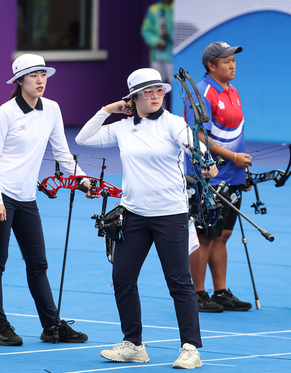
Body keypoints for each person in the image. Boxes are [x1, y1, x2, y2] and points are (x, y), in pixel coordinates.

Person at [76, 68, 218, 369]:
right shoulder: (123, 127)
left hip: (171, 215)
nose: (155, 96)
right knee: (122, 279)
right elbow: (84, 137)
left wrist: (204, 159)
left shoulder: (174, 124)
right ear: (133, 98)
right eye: (147, 91)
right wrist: (107, 109)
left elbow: (193, 143)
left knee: (179, 282)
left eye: (158, 90)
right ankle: (134, 344)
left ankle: (191, 348)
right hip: (134, 215)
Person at [0, 54, 90, 346]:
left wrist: (82, 179)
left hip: (27, 198)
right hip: (0, 197)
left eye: (43, 74)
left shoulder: (52, 109)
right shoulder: (5, 113)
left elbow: (63, 153)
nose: (40, 80)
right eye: (33, 75)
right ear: (19, 81)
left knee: (38, 264)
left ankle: (51, 326)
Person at [184, 41, 253, 313]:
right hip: (207, 177)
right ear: (211, 66)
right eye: (226, 61)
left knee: (222, 235)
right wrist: (233, 158)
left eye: (234, 60)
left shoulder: (232, 90)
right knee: (204, 236)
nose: (232, 65)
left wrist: (241, 170)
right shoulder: (201, 94)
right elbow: (199, 137)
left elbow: (237, 135)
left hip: (232, 175)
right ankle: (198, 295)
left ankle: (220, 291)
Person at [141, 0, 173, 108]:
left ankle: (179, 114)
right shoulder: (153, 9)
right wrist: (156, 42)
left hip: (175, 57)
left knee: (177, 86)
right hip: (157, 56)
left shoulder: (179, 9)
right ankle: (159, 113)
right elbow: (146, 30)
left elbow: (184, 30)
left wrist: (170, 37)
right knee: (156, 86)